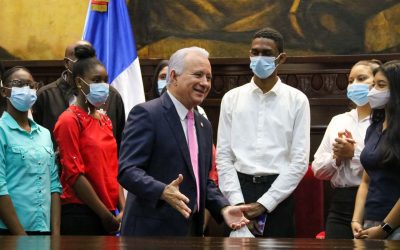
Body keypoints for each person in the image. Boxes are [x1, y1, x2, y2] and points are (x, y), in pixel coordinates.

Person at [118, 46, 250, 236]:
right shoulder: (147, 114)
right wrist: (162, 191)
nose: (204, 83)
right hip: (150, 234)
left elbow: (202, 181)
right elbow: (127, 171)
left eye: (209, 77)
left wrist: (223, 208)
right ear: (174, 76)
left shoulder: (203, 124)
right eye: (198, 75)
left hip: (190, 234)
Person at [216, 27, 310, 237]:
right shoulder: (231, 98)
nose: (259, 58)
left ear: (281, 58)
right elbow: (223, 157)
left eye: (266, 53)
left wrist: (265, 203)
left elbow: (299, 161)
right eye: (255, 52)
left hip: (278, 196)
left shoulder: (297, 100)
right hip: (237, 191)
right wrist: (238, 202)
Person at [53, 45, 124, 235]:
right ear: (79, 82)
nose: (103, 86)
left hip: (109, 213)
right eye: (96, 80)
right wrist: (105, 215)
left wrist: (123, 209)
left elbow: (113, 169)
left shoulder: (105, 120)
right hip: (81, 213)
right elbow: (74, 175)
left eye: (105, 81)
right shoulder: (69, 120)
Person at [312, 60, 381, 239]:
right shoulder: (339, 121)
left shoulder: (386, 121)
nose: (354, 85)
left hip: (376, 200)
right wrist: (336, 158)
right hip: (341, 203)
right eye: (350, 81)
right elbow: (318, 170)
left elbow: (386, 164)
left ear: (377, 82)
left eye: (361, 78)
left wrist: (354, 153)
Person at [32, 40, 125, 152]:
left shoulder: (112, 96)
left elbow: (120, 142)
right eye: (81, 59)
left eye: (91, 59)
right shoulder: (45, 96)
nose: (88, 65)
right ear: (67, 63)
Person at [0, 66, 62, 235]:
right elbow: (0, 186)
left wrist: (55, 234)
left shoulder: (44, 134)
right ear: (5, 91)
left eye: (31, 85)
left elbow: (54, 185)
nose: (26, 90)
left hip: (43, 230)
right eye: (19, 84)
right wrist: (22, 237)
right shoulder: (1, 131)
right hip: (10, 232)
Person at [352, 60, 400, 240]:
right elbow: (366, 180)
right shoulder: (375, 127)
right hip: (370, 222)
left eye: (381, 85)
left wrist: (385, 227)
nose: (373, 91)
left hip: (394, 226)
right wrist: (356, 219)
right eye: (373, 85)